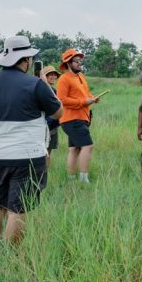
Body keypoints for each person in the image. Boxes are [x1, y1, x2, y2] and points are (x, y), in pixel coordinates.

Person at [0, 36, 63, 243]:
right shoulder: (36, 84)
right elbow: (58, 114)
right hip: (28, 157)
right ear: (27, 60)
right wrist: (47, 87)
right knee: (18, 209)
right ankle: (11, 256)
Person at [56, 48, 101, 184]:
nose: (79, 64)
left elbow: (85, 94)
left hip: (82, 117)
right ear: (68, 63)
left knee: (74, 149)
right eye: (76, 61)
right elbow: (62, 100)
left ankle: (71, 179)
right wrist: (83, 102)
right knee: (87, 146)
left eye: (80, 61)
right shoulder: (64, 79)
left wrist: (92, 98)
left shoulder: (81, 77)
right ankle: (83, 179)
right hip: (72, 119)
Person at [39, 65, 62, 168]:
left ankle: (46, 173)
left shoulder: (54, 91)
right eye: (50, 74)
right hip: (42, 126)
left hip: (52, 126)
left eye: (55, 75)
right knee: (40, 152)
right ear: (44, 76)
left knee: (48, 152)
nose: (53, 77)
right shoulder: (39, 89)